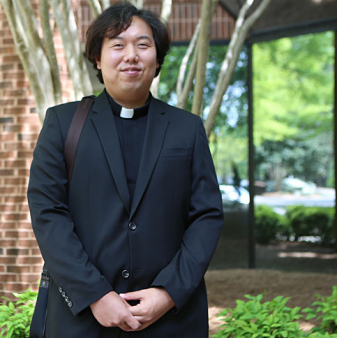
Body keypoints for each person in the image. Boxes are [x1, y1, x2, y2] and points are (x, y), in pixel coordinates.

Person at [27, 2, 223, 337]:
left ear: (157, 60)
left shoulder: (186, 129)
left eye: (143, 45)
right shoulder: (63, 124)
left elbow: (206, 216)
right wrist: (95, 295)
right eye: (117, 45)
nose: (131, 55)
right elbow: (48, 213)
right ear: (98, 59)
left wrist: (168, 292)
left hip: (170, 319)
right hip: (83, 317)